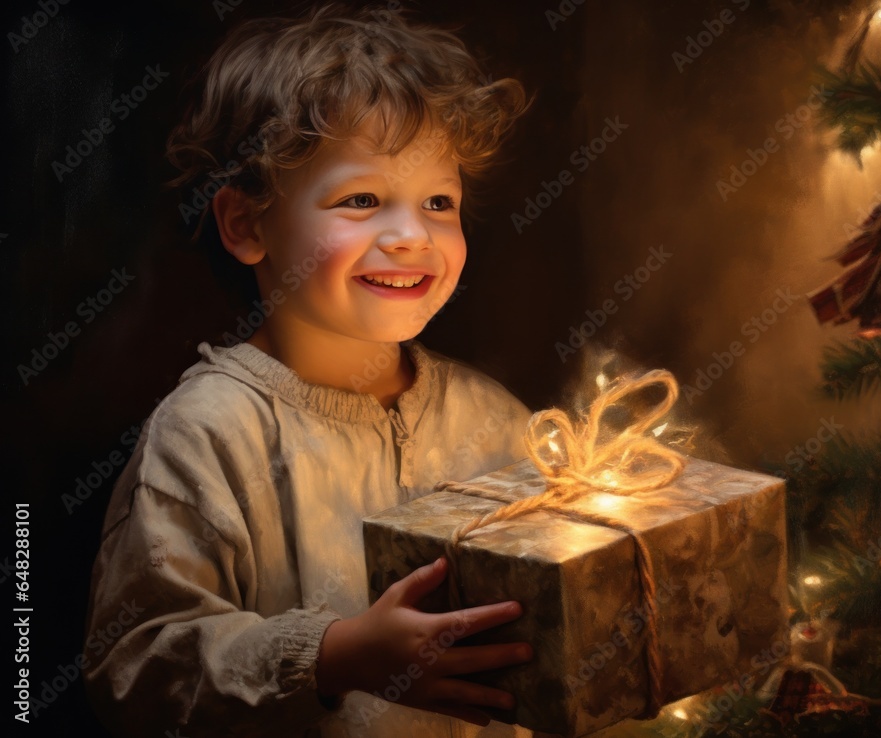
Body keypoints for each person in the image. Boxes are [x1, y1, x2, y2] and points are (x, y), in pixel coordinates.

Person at [83, 4, 540, 736]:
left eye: (438, 202)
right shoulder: (210, 434)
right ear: (246, 225)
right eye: (361, 199)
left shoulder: (499, 421)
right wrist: (334, 656)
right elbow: (135, 664)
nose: (411, 236)